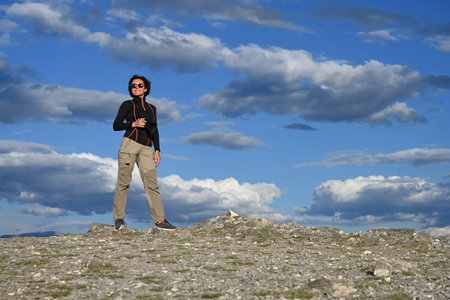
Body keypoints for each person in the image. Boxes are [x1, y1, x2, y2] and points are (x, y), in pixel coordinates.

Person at [112, 74, 177, 231]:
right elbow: (116, 125)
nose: (136, 88)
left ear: (146, 88)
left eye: (140, 85)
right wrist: (133, 123)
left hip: (147, 149)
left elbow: (154, 129)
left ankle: (160, 220)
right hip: (129, 145)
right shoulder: (126, 105)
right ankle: (119, 219)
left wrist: (158, 150)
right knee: (123, 183)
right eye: (133, 86)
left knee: (152, 184)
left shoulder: (152, 109)